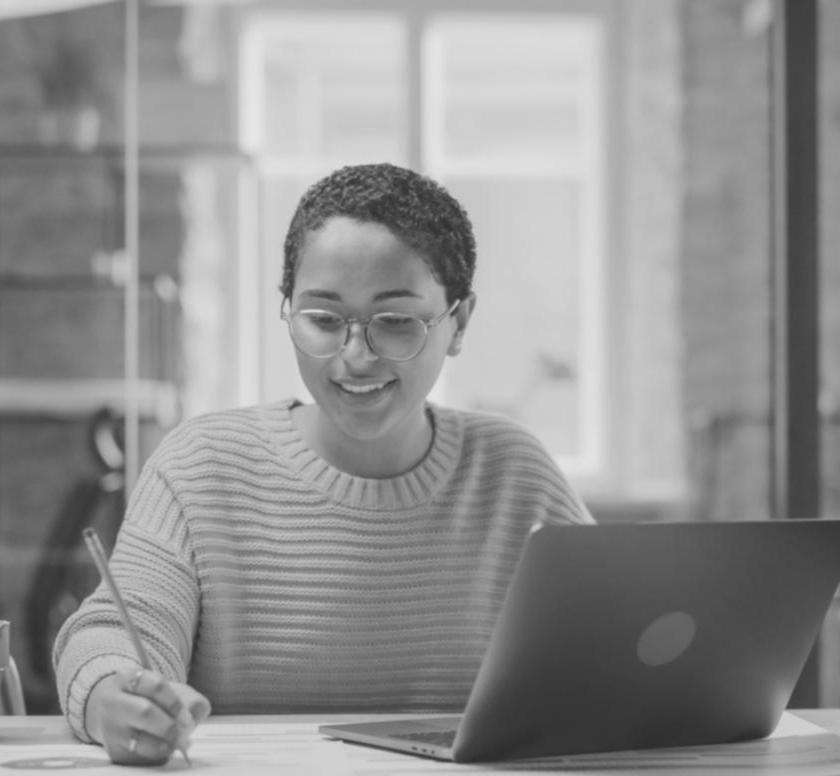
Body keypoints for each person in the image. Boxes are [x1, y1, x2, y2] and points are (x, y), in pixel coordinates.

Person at [52, 162, 593, 766]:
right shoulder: (202, 467)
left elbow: (615, 649)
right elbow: (107, 634)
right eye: (323, 319)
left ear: (458, 322)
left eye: (395, 322)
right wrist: (114, 697)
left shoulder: (515, 473)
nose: (354, 356)